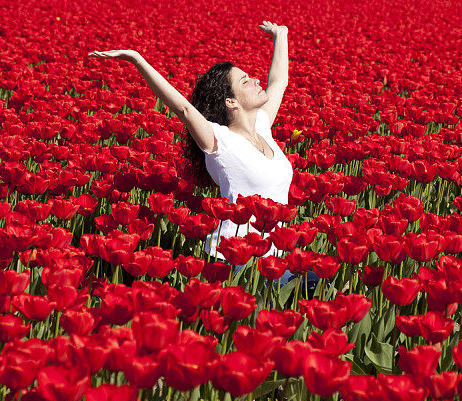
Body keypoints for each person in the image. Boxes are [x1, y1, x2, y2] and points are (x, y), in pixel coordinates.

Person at [88, 21, 318, 297]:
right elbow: (183, 107)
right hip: (235, 259)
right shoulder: (218, 139)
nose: (256, 80)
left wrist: (281, 35)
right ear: (231, 102)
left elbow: (279, 81)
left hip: (277, 255)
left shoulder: (262, 126)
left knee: (320, 289)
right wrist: (138, 60)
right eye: (245, 81)